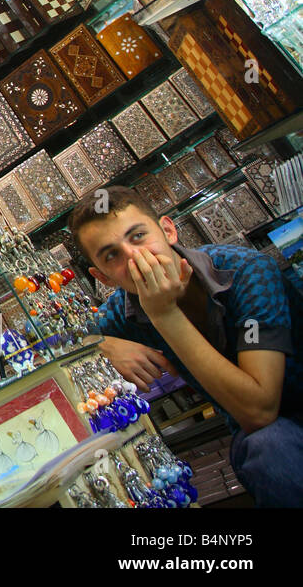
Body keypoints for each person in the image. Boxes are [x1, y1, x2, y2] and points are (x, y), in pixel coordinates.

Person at [69, 186, 303, 506]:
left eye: (138, 236)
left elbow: (260, 410)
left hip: (274, 418)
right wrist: (99, 344)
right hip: (267, 443)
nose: (135, 258)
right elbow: (56, 345)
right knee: (268, 448)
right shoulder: (119, 318)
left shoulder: (245, 272)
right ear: (103, 277)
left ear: (168, 230)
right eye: (112, 255)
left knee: (268, 443)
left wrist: (165, 315)